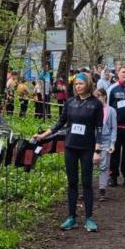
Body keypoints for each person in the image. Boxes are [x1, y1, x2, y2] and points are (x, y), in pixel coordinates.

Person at [35, 73, 103, 232]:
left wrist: (98, 150)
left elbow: (99, 128)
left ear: (88, 84)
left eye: (81, 83)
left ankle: (89, 218)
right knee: (72, 182)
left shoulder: (96, 104)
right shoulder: (70, 102)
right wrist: (44, 134)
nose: (78, 86)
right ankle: (71, 217)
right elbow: (61, 122)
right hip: (70, 146)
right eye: (76, 84)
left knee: (86, 183)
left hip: (87, 147)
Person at [93, 87, 117, 201]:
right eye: (95, 96)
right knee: (89, 165)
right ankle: (86, 188)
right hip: (92, 141)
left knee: (104, 166)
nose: (97, 98)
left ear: (104, 96)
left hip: (106, 141)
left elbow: (113, 128)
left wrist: (112, 143)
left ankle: (102, 189)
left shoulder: (111, 111)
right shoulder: (92, 109)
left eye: (98, 96)